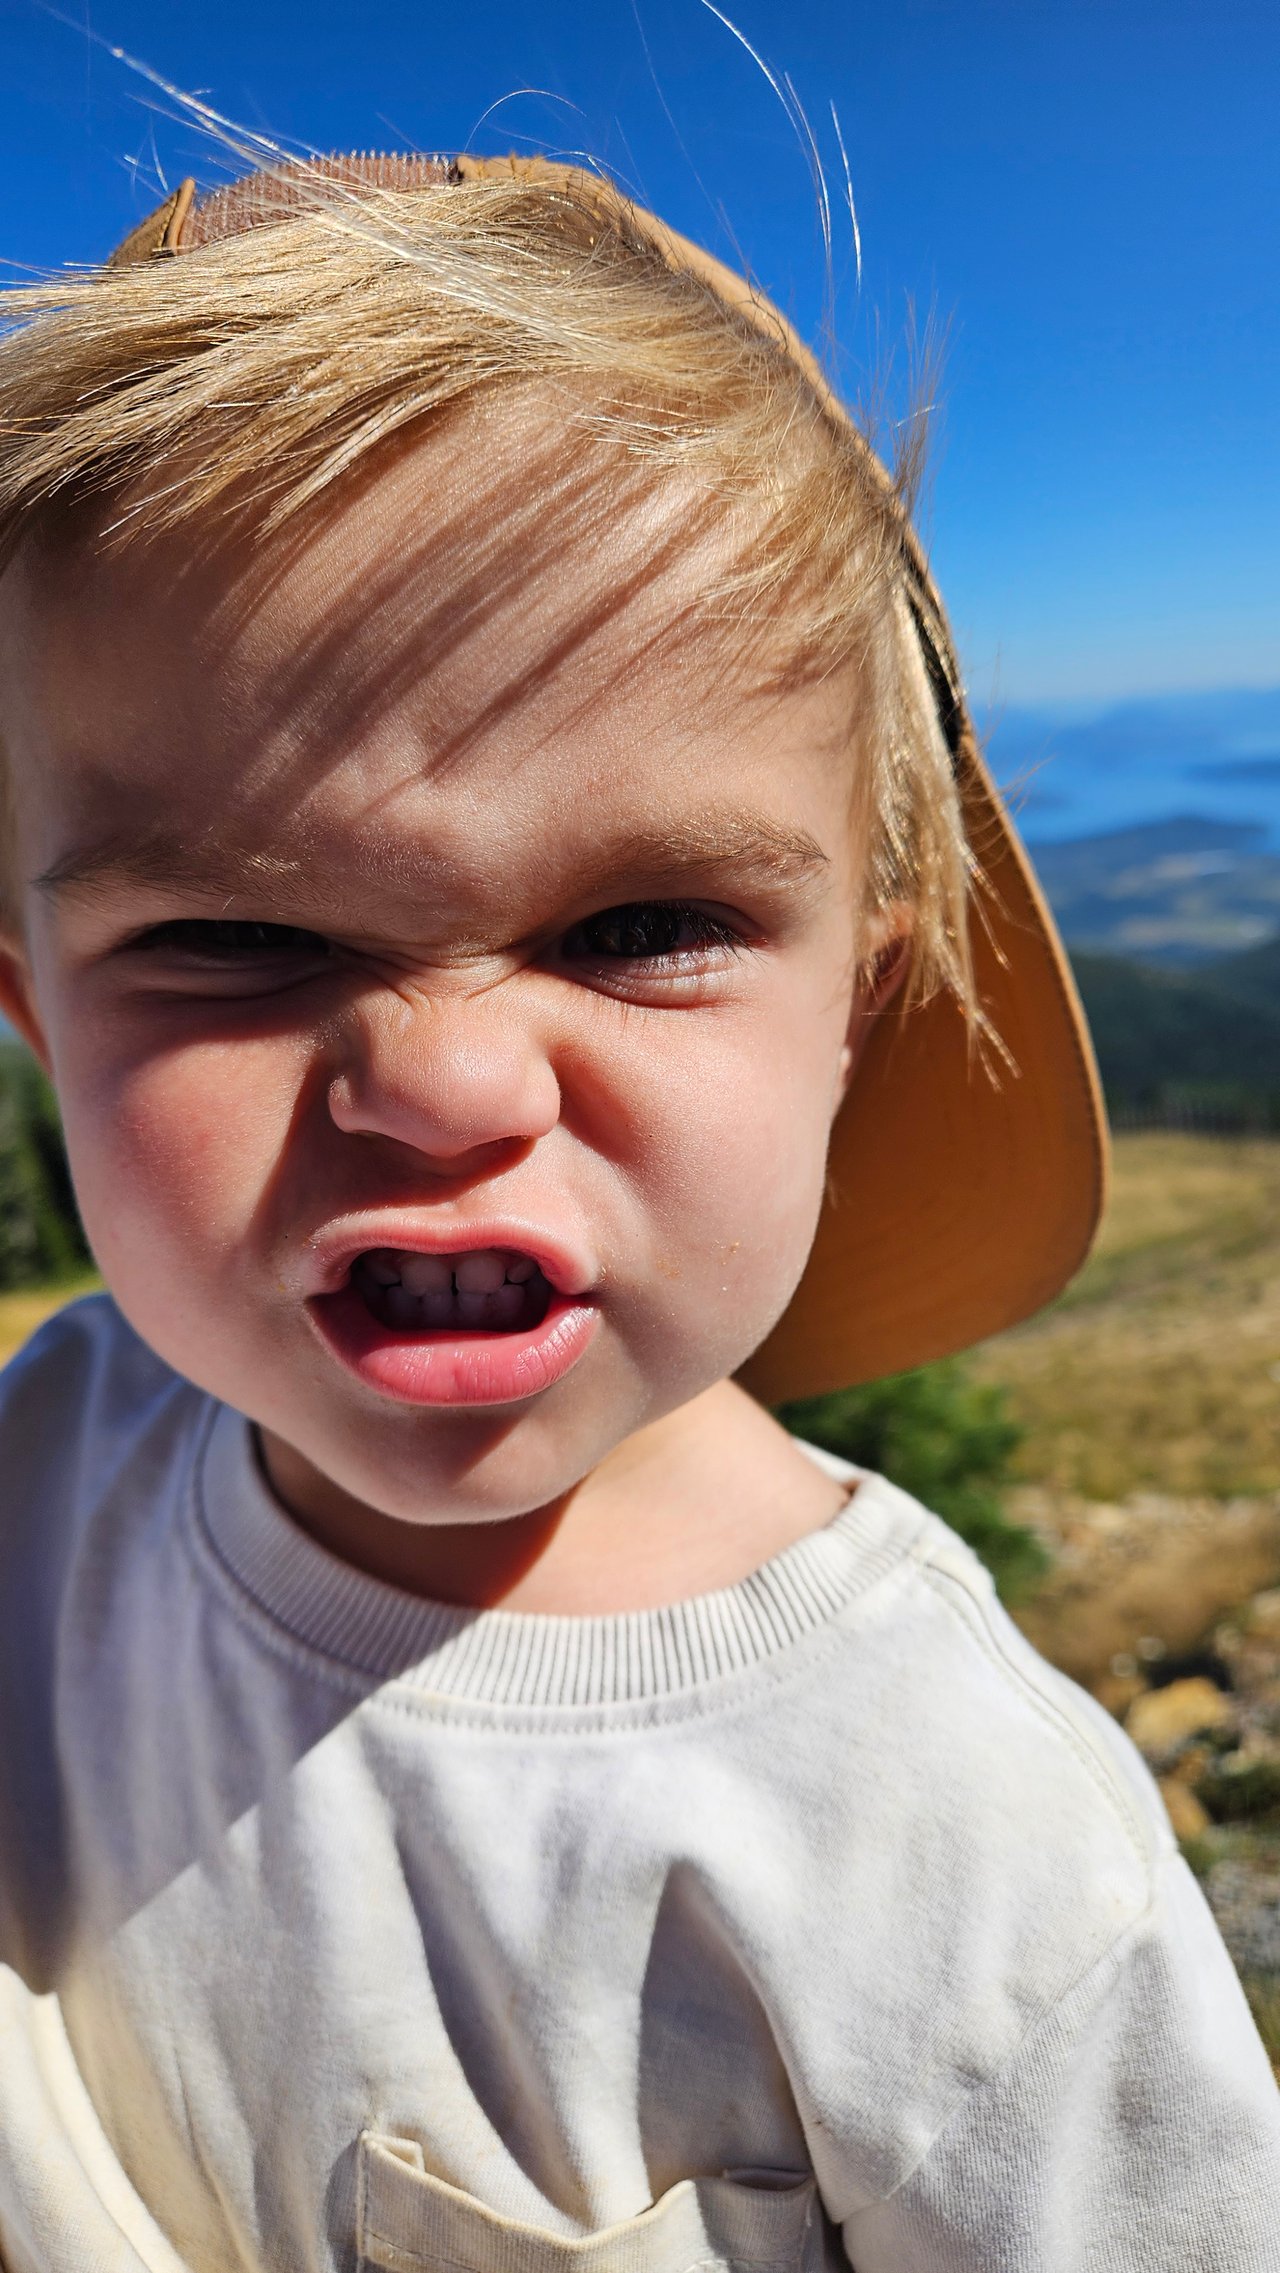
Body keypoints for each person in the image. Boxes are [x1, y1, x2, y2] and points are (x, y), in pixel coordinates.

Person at [0, 150, 1273, 2273]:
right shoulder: (54, 1460)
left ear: (860, 1008)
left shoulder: (958, 1849)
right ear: (38, 1018)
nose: (441, 1083)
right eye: (230, 936)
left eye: (644, 922)